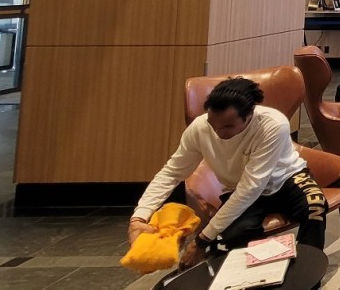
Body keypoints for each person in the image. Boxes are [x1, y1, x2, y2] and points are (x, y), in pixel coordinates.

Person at [127, 78, 327, 268]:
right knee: (230, 238)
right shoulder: (200, 129)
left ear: (249, 115)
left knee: (315, 207)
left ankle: (308, 270)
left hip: (287, 179)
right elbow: (171, 173)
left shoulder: (272, 124)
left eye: (228, 126)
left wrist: (201, 240)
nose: (218, 132)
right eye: (213, 124)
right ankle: (250, 279)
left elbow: (251, 187)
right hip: (237, 188)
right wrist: (139, 218)